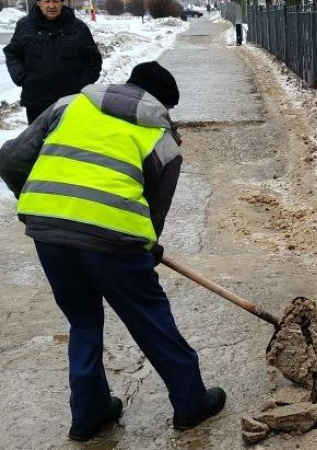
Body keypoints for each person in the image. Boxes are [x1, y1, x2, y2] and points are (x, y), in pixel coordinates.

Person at [0, 62, 225, 442]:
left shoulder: (69, 105)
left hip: (50, 232)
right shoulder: (162, 140)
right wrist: (146, 246)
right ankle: (191, 402)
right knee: (150, 317)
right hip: (114, 239)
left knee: (83, 320)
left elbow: (9, 160)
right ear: (162, 104)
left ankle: (89, 414)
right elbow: (155, 209)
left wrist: (47, 204)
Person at [3, 0, 102, 124]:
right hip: (36, 102)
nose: (52, 6)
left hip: (70, 102)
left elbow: (93, 60)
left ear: (62, 2)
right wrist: (21, 77)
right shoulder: (25, 26)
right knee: (38, 136)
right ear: (38, 2)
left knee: (68, 136)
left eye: (56, 1)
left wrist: (80, 85)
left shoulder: (78, 28)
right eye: (47, 1)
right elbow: (13, 53)